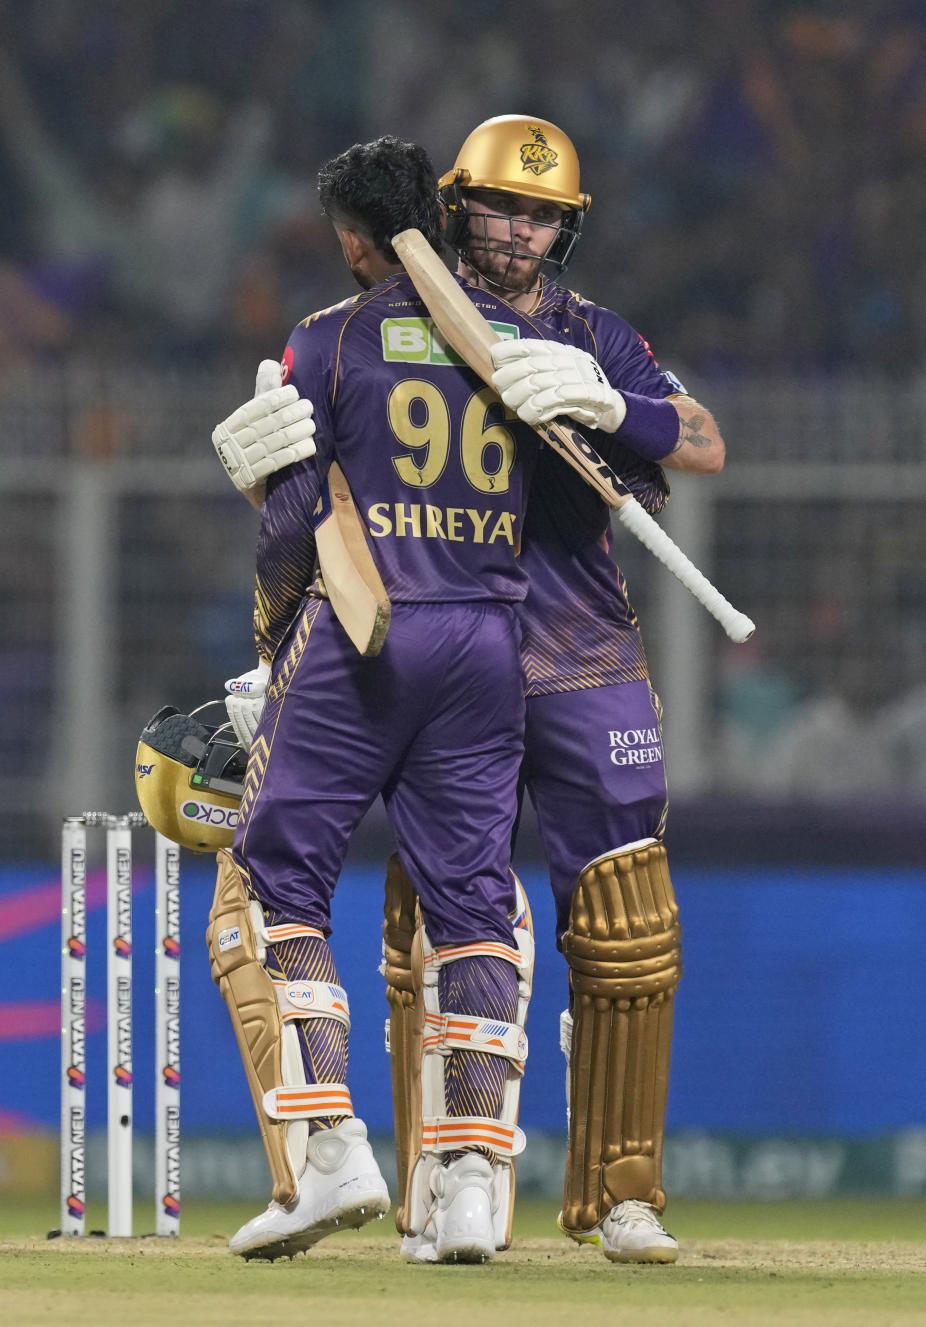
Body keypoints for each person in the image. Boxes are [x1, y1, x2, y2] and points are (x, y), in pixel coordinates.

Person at [215, 115, 726, 1266]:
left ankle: (618, 1192)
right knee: (445, 912)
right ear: (449, 207)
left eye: (545, 215)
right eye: (503, 207)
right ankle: (449, 1186)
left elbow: (696, 440)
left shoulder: (576, 333)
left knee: (621, 921)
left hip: (546, 642)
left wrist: (608, 399)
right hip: (480, 633)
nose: (523, 231)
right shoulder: (440, 329)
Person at [209, 135, 541, 1265]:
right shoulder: (515, 345)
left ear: (352, 240)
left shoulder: (326, 342)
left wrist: (271, 644)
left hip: (363, 636)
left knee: (275, 871)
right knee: (472, 905)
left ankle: (331, 1144)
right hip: (490, 640)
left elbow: (292, 524)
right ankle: (466, 1190)